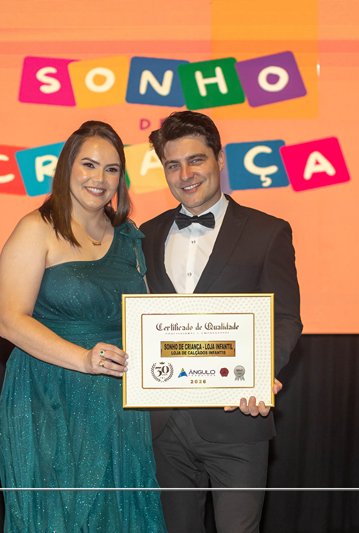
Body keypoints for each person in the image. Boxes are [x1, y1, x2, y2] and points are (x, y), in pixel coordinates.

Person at [0, 121, 166, 532]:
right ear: (67, 167)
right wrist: (84, 359)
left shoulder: (129, 237)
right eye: (89, 164)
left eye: (111, 169)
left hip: (117, 405)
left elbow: (150, 321)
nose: (99, 178)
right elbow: (9, 320)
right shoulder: (36, 229)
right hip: (48, 398)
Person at [140, 111, 303, 533]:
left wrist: (261, 372)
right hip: (163, 426)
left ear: (220, 158)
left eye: (196, 160)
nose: (185, 175)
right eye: (173, 165)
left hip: (238, 420)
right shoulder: (145, 234)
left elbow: (285, 318)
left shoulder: (268, 232)